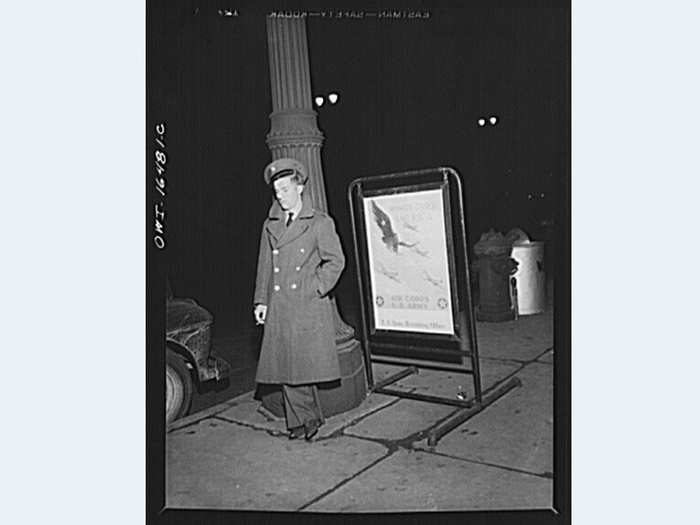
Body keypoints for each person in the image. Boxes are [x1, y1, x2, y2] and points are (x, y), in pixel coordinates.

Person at [253, 158, 345, 441]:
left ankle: (304, 419)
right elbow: (265, 265)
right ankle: (303, 420)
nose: (280, 195)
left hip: (306, 303)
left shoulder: (319, 223)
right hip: (280, 304)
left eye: (285, 189)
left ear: (300, 187)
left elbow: (336, 261)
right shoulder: (271, 225)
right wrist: (261, 301)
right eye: (276, 190)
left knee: (300, 365)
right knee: (286, 365)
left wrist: (316, 287)